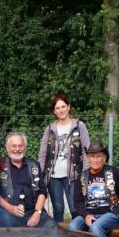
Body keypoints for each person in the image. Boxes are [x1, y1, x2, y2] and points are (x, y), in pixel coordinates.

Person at [38, 93, 91, 222]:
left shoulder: (79, 126)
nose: (61, 110)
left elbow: (86, 152)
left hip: (74, 175)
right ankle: (58, 234)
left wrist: (85, 173)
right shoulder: (50, 129)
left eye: (63, 106)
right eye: (57, 108)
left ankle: (77, 232)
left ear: (68, 107)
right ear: (54, 111)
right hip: (53, 176)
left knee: (75, 208)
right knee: (58, 209)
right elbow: (43, 154)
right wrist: (39, 175)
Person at [0, 132, 56, 228]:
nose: (17, 149)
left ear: (25, 148)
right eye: (14, 146)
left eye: (20, 146)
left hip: (33, 212)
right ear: (7, 148)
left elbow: (42, 191)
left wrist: (37, 213)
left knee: (51, 226)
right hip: (8, 213)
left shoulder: (34, 165)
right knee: (5, 225)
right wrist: (10, 208)